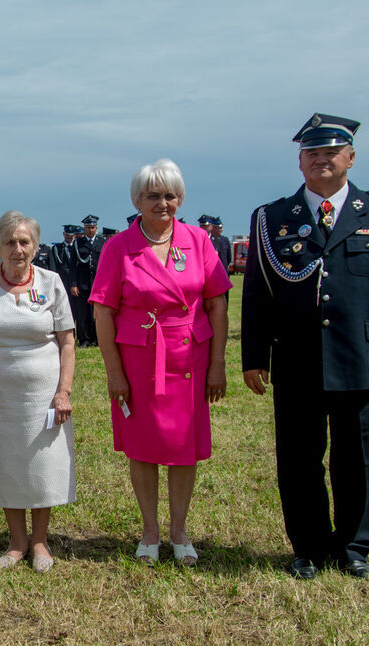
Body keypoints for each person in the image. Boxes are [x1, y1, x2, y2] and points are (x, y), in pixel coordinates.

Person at [242, 114, 369, 580]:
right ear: (300, 162)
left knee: (356, 458)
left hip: (359, 357)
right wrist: (254, 356)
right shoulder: (273, 219)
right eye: (312, 154)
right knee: (299, 458)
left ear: (350, 158)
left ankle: (355, 547)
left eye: (330, 153)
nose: (321, 160)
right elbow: (258, 295)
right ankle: (308, 546)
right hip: (297, 357)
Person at [90, 159, 230, 567]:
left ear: (180, 198)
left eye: (170, 195)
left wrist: (218, 364)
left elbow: (217, 305)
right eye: (153, 195)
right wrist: (114, 373)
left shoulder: (198, 240)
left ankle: (179, 531)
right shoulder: (118, 247)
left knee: (184, 449)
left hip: (191, 356)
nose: (163, 203)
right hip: (139, 361)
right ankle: (150, 531)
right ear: (137, 200)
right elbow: (102, 314)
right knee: (143, 448)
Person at [0, 210, 75, 573]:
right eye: (10, 242)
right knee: (7, 461)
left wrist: (64, 392)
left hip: (45, 393)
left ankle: (39, 541)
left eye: (25, 242)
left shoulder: (52, 282)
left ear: (36, 246)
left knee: (43, 463)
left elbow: (67, 341)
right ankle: (16, 540)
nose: (18, 249)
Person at [74, 215, 103, 346]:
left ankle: (97, 338)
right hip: (83, 284)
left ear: (96, 228)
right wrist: (73, 284)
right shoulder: (78, 243)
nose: (90, 230)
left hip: (98, 284)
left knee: (97, 313)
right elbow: (72, 265)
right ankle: (84, 339)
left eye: (92, 227)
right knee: (83, 313)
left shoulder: (102, 242)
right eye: (87, 228)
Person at [209, 217, 232, 303]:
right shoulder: (209, 240)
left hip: (224, 272)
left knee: (225, 298)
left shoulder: (225, 240)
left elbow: (229, 257)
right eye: (219, 227)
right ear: (213, 228)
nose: (221, 229)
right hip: (214, 273)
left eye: (221, 227)